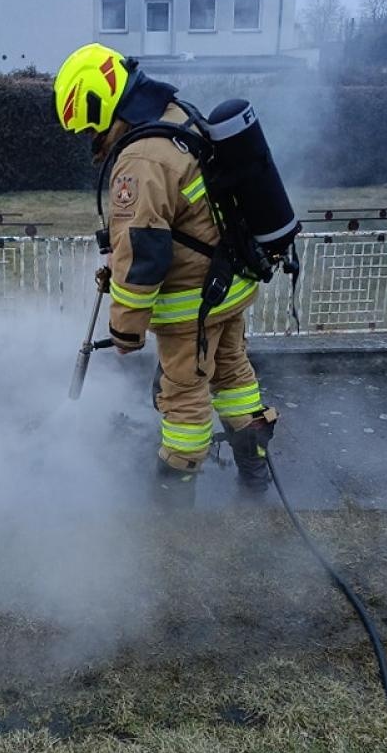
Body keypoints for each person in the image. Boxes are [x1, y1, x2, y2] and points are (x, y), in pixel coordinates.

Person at [54, 42, 277, 504]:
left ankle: (173, 505)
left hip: (191, 303)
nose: (92, 140)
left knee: (183, 397)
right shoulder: (177, 116)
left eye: (90, 128)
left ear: (97, 102)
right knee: (233, 374)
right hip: (230, 283)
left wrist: (126, 331)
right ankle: (255, 473)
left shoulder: (140, 160)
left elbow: (143, 252)